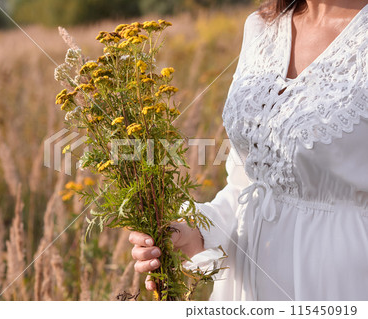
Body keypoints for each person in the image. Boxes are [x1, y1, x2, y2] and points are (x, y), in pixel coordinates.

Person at [129, 0, 368, 300]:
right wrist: (196, 235)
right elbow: (247, 183)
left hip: (340, 284)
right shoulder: (262, 26)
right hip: (247, 285)